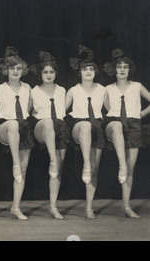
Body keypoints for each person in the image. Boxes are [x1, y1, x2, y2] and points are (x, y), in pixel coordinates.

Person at [102, 49, 150, 218]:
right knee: (123, 163)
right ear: (114, 70)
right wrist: (114, 114)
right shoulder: (107, 88)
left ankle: (126, 206)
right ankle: (121, 165)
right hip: (115, 123)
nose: (122, 69)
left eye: (125, 67)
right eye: (119, 67)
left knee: (130, 168)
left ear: (130, 70)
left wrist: (142, 114)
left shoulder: (137, 86)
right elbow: (107, 107)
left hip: (134, 124)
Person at [0, 46, 34, 220]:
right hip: (4, 127)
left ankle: (15, 207)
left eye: (18, 68)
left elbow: (29, 109)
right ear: (6, 70)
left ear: (22, 70)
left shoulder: (28, 88)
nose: (16, 71)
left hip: (22, 128)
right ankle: (15, 163)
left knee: (23, 170)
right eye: (12, 68)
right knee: (12, 124)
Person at [66, 45, 106, 219]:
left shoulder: (103, 90)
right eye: (85, 69)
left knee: (95, 169)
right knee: (85, 126)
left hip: (96, 126)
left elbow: (111, 111)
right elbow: (61, 111)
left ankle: (89, 207)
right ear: (79, 72)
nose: (88, 72)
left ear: (95, 72)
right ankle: (86, 164)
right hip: (79, 125)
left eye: (91, 69)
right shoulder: (73, 90)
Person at [29, 51, 70, 219]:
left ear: (55, 73)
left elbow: (65, 112)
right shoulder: (34, 91)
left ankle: (53, 206)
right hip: (41, 127)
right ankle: (52, 159)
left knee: (57, 171)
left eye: (51, 72)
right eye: (45, 72)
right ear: (40, 74)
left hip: (59, 128)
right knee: (46, 122)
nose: (48, 75)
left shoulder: (62, 90)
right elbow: (27, 112)